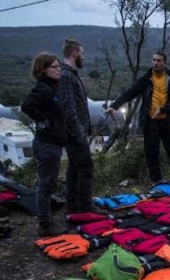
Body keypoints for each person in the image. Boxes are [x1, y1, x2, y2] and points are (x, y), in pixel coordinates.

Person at [105, 51, 170, 183]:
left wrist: (163, 109)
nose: (156, 63)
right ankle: (157, 179)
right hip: (150, 121)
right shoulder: (146, 79)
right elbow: (130, 93)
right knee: (151, 151)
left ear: (165, 62)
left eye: (159, 61)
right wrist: (114, 106)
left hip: (168, 120)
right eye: (154, 60)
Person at [21, 52, 67, 236]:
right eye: (55, 67)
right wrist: (44, 120)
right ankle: (45, 224)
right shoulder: (43, 88)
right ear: (43, 69)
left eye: (59, 66)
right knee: (46, 183)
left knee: (49, 182)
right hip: (47, 144)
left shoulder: (52, 87)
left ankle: (46, 220)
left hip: (53, 142)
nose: (59, 70)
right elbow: (27, 106)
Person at [58, 38, 94, 214]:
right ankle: (85, 208)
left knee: (74, 169)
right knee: (86, 168)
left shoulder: (71, 74)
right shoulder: (65, 76)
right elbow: (68, 109)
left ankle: (72, 206)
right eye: (82, 53)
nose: (84, 57)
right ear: (74, 54)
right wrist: (79, 133)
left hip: (76, 132)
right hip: (74, 134)